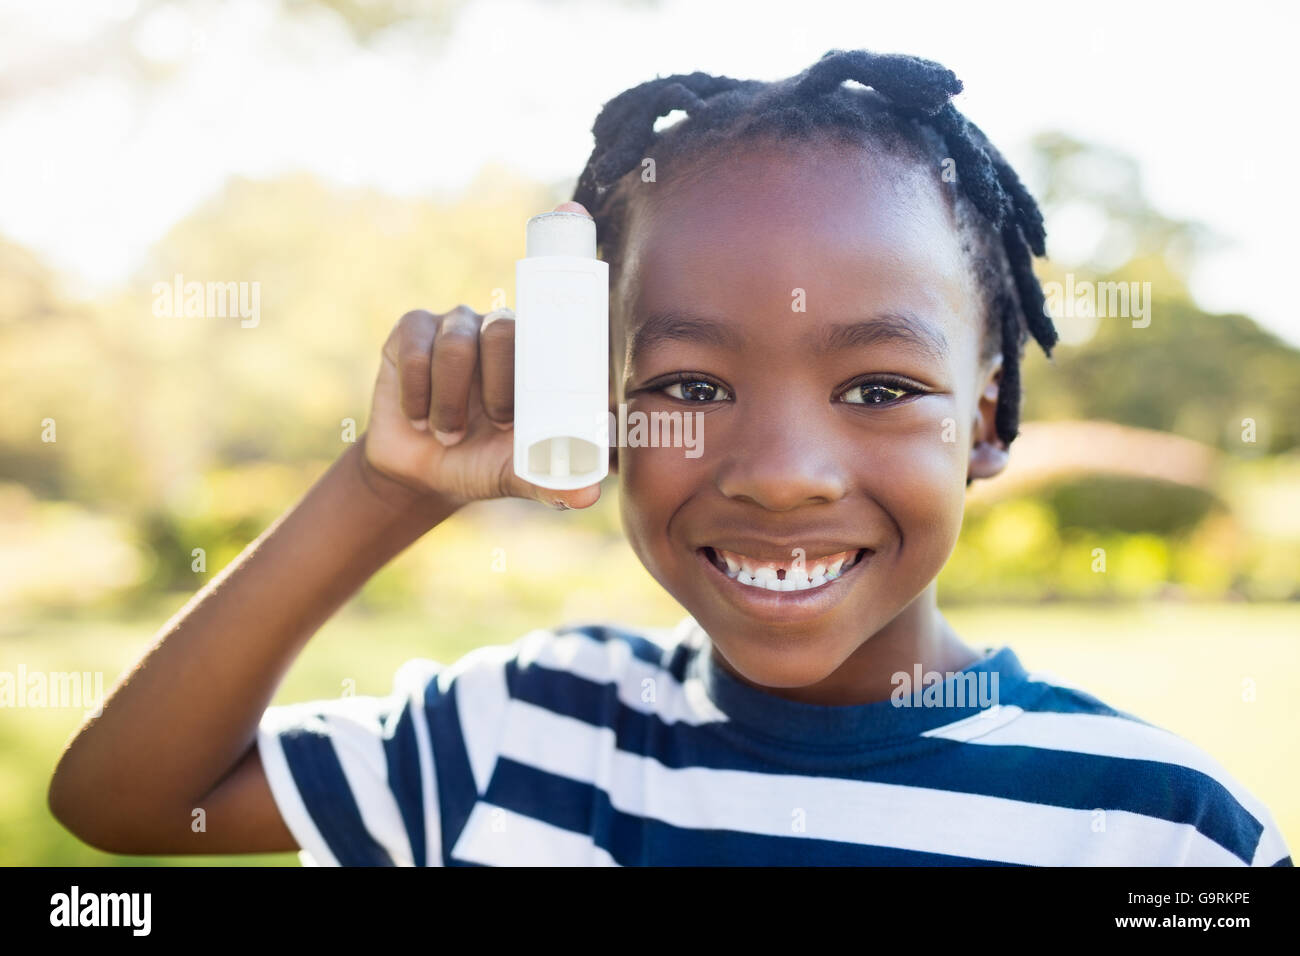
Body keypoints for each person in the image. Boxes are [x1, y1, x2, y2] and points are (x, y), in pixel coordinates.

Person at [49, 49, 1291, 866]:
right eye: (690, 385)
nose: (781, 471)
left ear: (986, 416)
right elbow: (127, 800)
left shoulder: (1151, 827)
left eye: (878, 386)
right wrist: (382, 490)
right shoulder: (523, 733)